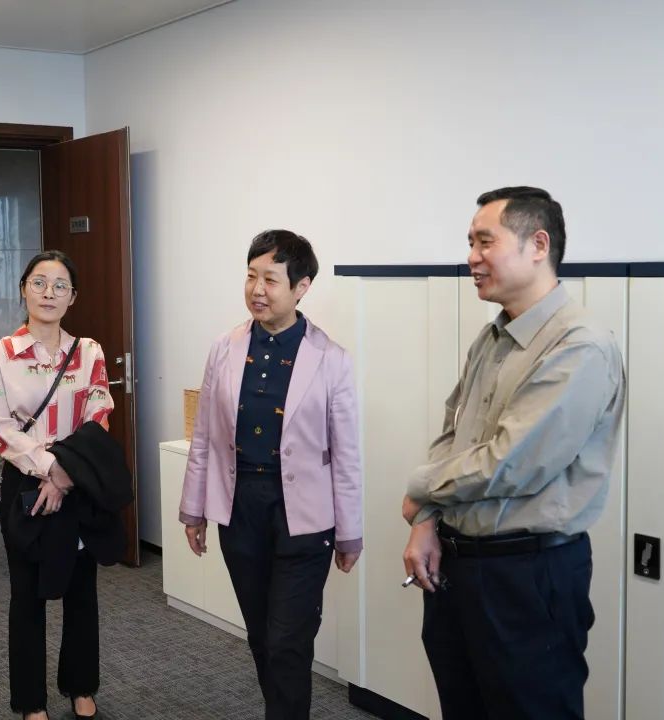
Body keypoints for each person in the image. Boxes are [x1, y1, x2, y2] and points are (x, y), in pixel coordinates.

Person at [402, 187, 626, 720]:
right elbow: (454, 433)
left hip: (527, 577)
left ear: (538, 245)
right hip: (459, 568)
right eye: (470, 243)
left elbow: (511, 462)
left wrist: (418, 489)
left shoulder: (579, 345)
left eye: (486, 241)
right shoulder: (492, 336)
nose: (472, 257)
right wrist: (427, 519)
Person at [179, 229, 363, 720]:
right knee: (262, 634)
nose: (257, 290)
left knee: (288, 639)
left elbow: (346, 455)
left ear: (302, 287)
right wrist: (193, 508)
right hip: (241, 504)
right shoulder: (225, 347)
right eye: (251, 277)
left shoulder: (331, 359)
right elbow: (205, 436)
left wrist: (350, 531)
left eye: (271, 280)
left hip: (305, 515)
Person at [0, 250, 114, 720]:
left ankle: (81, 686)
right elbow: (1, 429)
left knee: (82, 591)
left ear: (72, 297)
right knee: (28, 595)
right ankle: (30, 702)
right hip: (25, 486)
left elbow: (98, 415)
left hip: (78, 483)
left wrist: (65, 474)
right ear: (23, 290)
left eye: (60, 286)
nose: (49, 293)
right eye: (39, 283)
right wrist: (50, 469)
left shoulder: (89, 351)